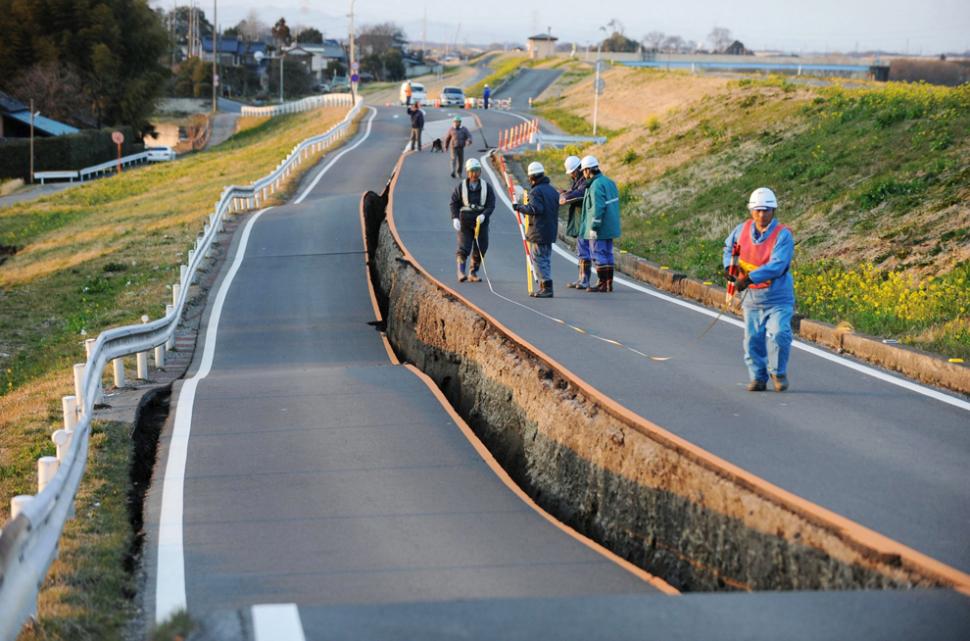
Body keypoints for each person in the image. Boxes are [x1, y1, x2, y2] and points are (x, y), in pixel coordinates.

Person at [723, 187, 795, 392]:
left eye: (766, 210)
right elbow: (728, 249)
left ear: (774, 211)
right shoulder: (741, 230)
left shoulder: (783, 235)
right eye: (758, 210)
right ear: (751, 211)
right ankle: (758, 377)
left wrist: (749, 278)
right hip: (753, 299)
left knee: (779, 334)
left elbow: (778, 265)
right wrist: (729, 267)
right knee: (752, 340)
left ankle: (778, 372)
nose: (762, 214)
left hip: (778, 297)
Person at [512, 162, 560, 298]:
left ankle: (546, 288)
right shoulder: (552, 190)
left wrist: (519, 207)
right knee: (545, 258)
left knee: (539, 259)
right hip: (550, 230)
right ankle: (545, 287)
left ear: (532, 177)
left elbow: (535, 209)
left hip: (539, 231)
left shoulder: (536, 191)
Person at [579, 155, 621, 293]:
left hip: (600, 227)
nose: (583, 175)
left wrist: (594, 227)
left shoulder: (595, 185)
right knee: (608, 253)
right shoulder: (609, 182)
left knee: (598, 253)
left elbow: (598, 207)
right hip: (610, 225)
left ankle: (602, 283)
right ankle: (609, 283)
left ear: (587, 170)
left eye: (583, 171)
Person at [451, 158, 496, 282]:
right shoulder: (461, 187)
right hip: (465, 221)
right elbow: (454, 203)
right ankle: (461, 271)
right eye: (472, 171)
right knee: (464, 247)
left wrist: (484, 215)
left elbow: (491, 205)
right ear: (467, 172)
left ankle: (473, 272)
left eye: (476, 171)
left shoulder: (486, 187)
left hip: (481, 221)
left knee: (481, 247)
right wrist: (455, 218)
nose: (474, 174)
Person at [558, 155, 589, 289]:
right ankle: (581, 278)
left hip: (584, 219)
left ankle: (584, 280)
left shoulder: (585, 181)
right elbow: (574, 191)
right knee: (581, 249)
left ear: (578, 169)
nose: (571, 175)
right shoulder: (578, 179)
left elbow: (579, 193)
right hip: (579, 219)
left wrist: (565, 196)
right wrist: (565, 192)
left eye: (572, 172)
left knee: (584, 250)